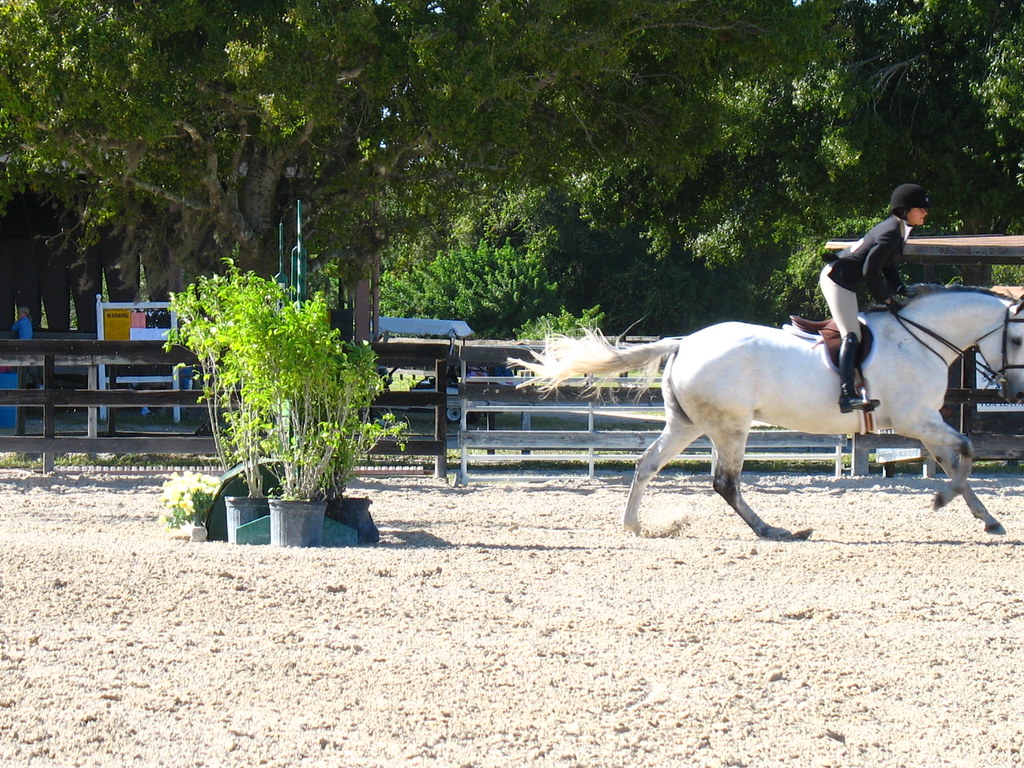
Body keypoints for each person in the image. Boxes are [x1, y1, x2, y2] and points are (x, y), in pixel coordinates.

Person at [819, 183, 931, 413]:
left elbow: (886, 265)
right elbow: (869, 272)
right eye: (920, 208)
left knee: (855, 333)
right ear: (904, 210)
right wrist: (887, 300)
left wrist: (899, 287)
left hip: (847, 281)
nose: (925, 212)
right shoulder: (891, 232)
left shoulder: (897, 230)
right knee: (851, 335)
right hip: (837, 279)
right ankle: (846, 396)